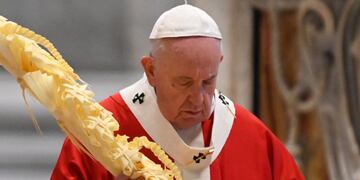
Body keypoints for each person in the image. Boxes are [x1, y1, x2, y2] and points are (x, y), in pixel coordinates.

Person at [51, 4, 304, 180]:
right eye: (184, 83)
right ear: (151, 71)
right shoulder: (101, 131)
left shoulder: (248, 135)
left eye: (208, 81)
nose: (198, 99)